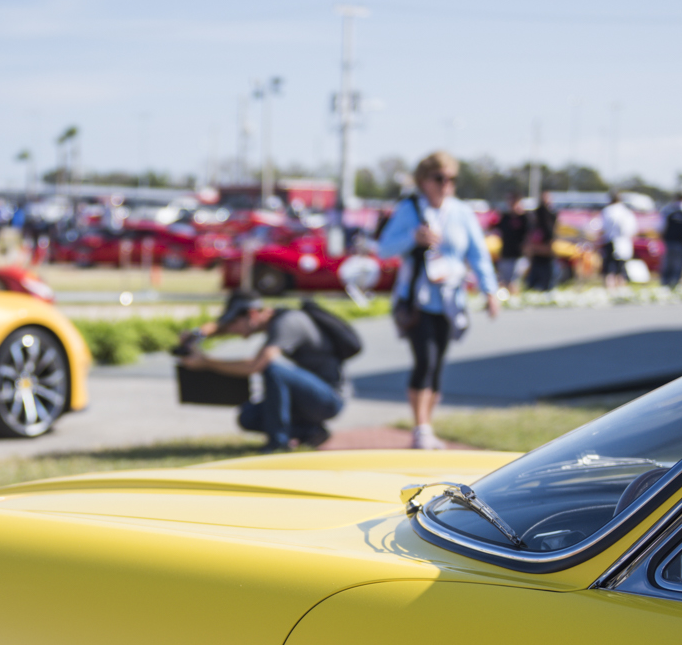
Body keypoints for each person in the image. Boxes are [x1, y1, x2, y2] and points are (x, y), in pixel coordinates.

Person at [376, 150, 502, 449]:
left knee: (438, 363)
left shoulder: (461, 212)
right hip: (416, 299)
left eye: (452, 179)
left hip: (450, 298)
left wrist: (490, 290)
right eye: (439, 178)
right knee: (425, 358)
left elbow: (477, 253)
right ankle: (420, 427)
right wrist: (412, 238)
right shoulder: (409, 209)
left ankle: (427, 425)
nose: (446, 185)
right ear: (424, 181)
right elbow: (383, 249)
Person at [179, 291, 345, 452]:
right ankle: (311, 432)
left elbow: (256, 365)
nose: (233, 330)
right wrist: (197, 335)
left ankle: (277, 443)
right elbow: (227, 327)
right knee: (249, 417)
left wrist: (206, 362)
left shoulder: (287, 322)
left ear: (251, 314)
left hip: (328, 398)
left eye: (234, 323)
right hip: (307, 399)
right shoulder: (272, 319)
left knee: (273, 370)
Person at [597, 191, 636, 291]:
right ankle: (620, 289)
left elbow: (602, 228)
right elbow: (632, 230)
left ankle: (609, 289)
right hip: (623, 243)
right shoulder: (626, 212)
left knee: (609, 268)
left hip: (610, 241)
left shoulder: (607, 211)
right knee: (621, 268)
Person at [525, 191, 559, 291]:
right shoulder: (535, 225)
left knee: (546, 287)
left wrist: (535, 249)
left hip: (546, 261)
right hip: (535, 260)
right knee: (532, 288)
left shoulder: (548, 224)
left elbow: (549, 247)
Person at [494, 197, 528, 291]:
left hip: (519, 256)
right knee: (503, 282)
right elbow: (493, 228)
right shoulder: (505, 218)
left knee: (515, 282)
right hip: (506, 255)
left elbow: (528, 235)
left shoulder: (524, 218)